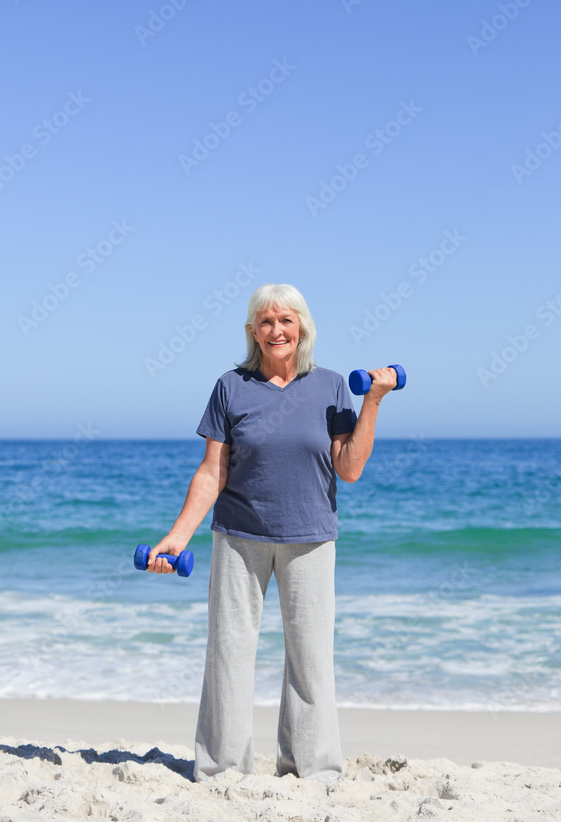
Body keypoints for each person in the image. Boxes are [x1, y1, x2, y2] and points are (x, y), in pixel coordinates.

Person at [148, 283, 397, 783]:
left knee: (310, 658)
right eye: (265, 322)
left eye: (286, 320)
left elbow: (348, 468)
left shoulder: (329, 385)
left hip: (311, 539)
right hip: (240, 536)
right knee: (229, 653)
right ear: (252, 332)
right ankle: (220, 769)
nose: (276, 329)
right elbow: (211, 472)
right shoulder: (231, 387)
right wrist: (177, 537)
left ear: (301, 326)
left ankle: (312, 768)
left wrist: (373, 401)